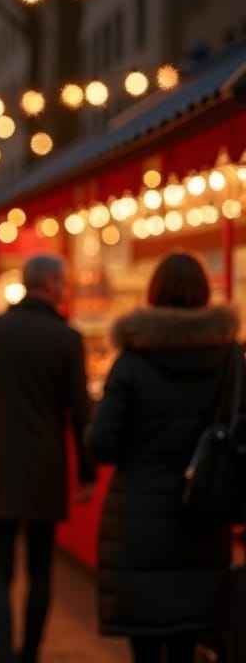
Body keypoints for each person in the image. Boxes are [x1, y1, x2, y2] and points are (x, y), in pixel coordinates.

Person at [85, 251, 238, 663]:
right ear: (205, 293)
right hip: (203, 513)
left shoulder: (132, 361)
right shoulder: (229, 359)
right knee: (188, 640)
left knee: (147, 643)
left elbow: (103, 444)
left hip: (140, 518)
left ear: (154, 293)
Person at [0, 254, 96, 663]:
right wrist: (86, 471)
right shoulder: (66, 339)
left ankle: (3, 655)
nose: (65, 288)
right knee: (40, 569)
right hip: (44, 466)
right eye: (64, 282)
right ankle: (30, 652)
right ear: (49, 284)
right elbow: (80, 411)